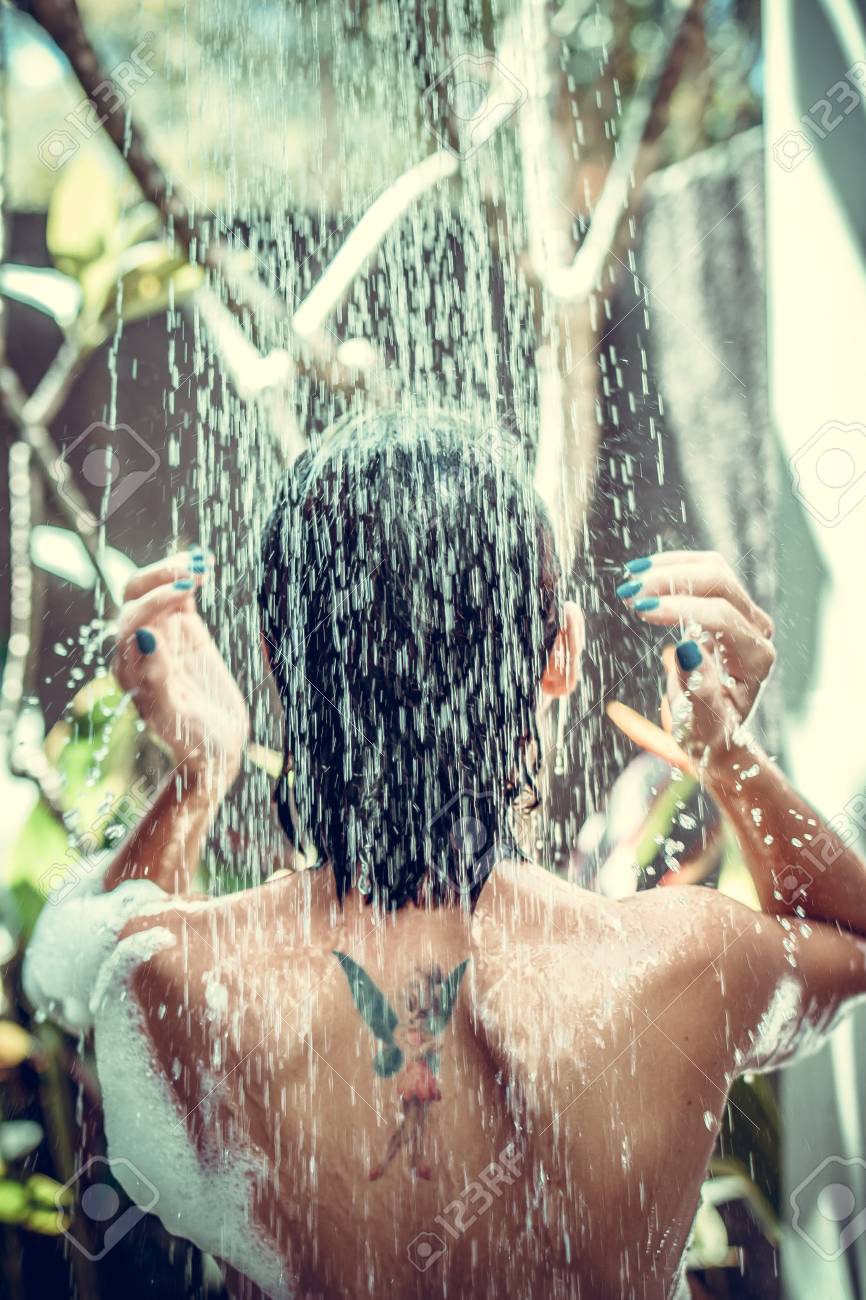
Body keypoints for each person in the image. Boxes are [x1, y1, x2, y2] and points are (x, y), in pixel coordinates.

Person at [24, 410, 866, 1300]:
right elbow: (851, 935)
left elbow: (75, 974)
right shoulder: (683, 963)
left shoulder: (184, 977)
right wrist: (725, 748)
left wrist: (201, 773)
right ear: (560, 659)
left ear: (276, 665)